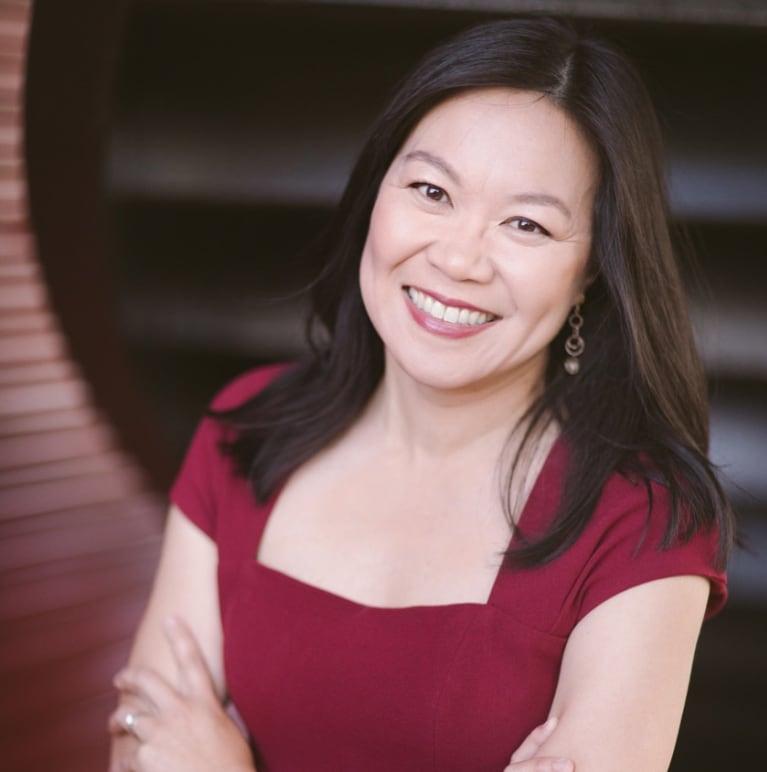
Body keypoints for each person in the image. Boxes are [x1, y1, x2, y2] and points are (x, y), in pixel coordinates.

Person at [108, 16, 734, 772]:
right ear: (377, 191)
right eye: (432, 190)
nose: (460, 258)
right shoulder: (249, 429)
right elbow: (138, 743)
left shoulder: (640, 520)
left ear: (591, 271)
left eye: (527, 225)